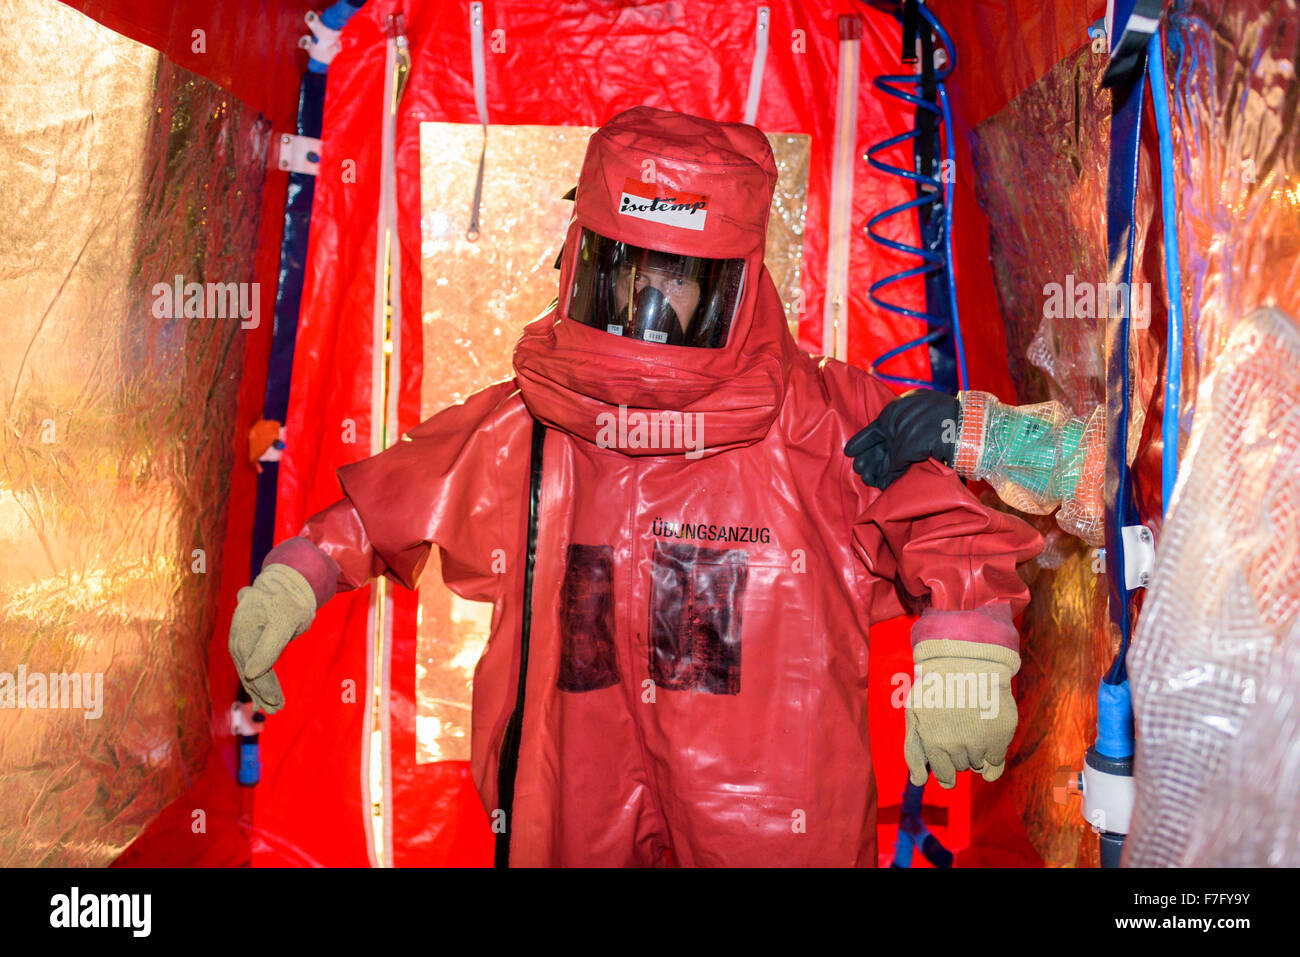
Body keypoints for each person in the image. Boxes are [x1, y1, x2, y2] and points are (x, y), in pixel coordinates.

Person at [229, 105, 1042, 867]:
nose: (650, 301)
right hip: (578, 768)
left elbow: (944, 520)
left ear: (735, 282)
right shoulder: (540, 420)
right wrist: (302, 570)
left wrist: (966, 642)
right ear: (587, 260)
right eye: (631, 269)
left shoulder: (815, 416)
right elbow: (409, 490)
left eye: (679, 276)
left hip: (767, 793)